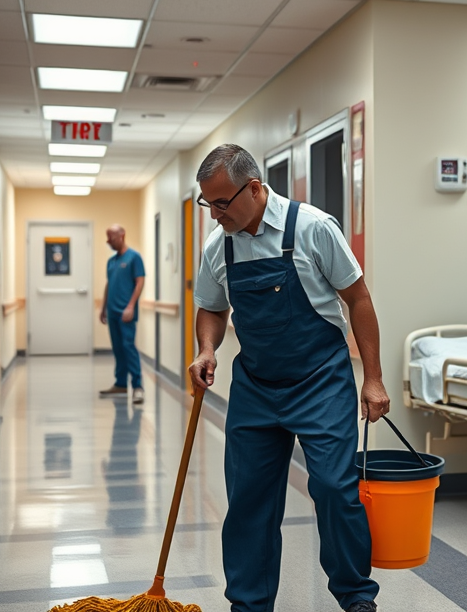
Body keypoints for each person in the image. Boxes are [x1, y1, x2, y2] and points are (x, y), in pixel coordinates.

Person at [189, 144, 386, 612]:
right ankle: (249, 604)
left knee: (335, 489)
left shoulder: (314, 228)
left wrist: (373, 379)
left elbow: (358, 299)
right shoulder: (219, 246)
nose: (215, 214)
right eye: (207, 204)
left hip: (321, 380)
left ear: (254, 188)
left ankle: (356, 597)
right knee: (249, 502)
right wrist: (206, 348)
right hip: (256, 387)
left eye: (221, 202)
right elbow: (211, 307)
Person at [99, 225, 145, 404]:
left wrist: (131, 306)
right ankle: (120, 384)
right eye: (107, 237)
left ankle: (138, 386)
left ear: (122, 235)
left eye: (111, 237)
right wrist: (103, 308)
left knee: (128, 347)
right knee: (118, 349)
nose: (108, 241)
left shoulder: (134, 257)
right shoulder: (111, 261)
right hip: (112, 312)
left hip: (126, 313)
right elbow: (109, 284)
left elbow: (139, 282)